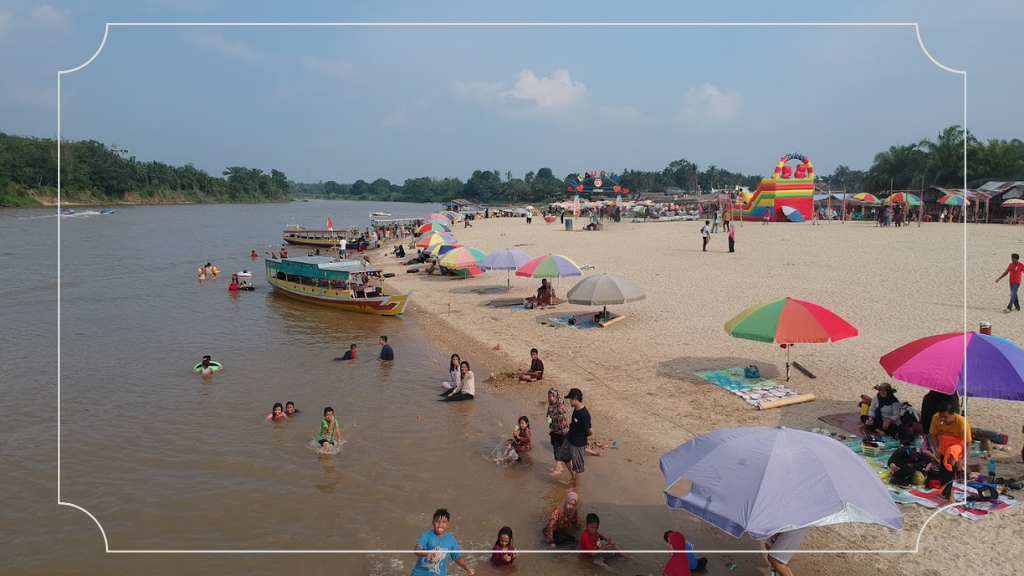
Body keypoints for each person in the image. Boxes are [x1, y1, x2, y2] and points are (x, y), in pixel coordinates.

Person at [410, 509, 475, 576]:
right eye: (437, 521)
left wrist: (467, 568)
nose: (440, 524)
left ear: (448, 524)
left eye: (444, 522)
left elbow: (457, 557)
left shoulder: (451, 539)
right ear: (433, 522)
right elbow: (417, 549)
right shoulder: (427, 535)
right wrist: (427, 554)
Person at [565, 388, 593, 492]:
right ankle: (573, 479)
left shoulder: (584, 414)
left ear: (575, 399)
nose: (569, 402)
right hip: (570, 439)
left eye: (570, 399)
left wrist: (585, 438)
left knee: (578, 467)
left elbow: (590, 431)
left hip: (578, 443)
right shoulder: (576, 410)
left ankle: (576, 487)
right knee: (563, 456)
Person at [547, 387, 571, 477]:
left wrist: (551, 418)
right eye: (550, 396)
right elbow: (548, 416)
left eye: (553, 396)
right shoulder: (550, 406)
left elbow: (560, 418)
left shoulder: (560, 405)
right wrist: (548, 419)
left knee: (558, 450)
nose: (551, 398)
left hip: (562, 432)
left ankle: (557, 469)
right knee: (555, 448)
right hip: (554, 431)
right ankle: (560, 466)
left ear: (557, 396)